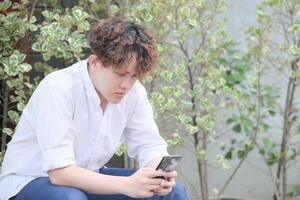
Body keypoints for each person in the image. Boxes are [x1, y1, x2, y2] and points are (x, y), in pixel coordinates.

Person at [0, 17, 188, 200]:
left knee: (173, 192)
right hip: (31, 180)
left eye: (133, 76)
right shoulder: (59, 88)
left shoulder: (134, 93)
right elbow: (59, 173)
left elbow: (149, 145)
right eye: (120, 74)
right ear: (94, 62)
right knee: (70, 197)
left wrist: (159, 176)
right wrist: (128, 185)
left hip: (87, 176)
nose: (126, 84)